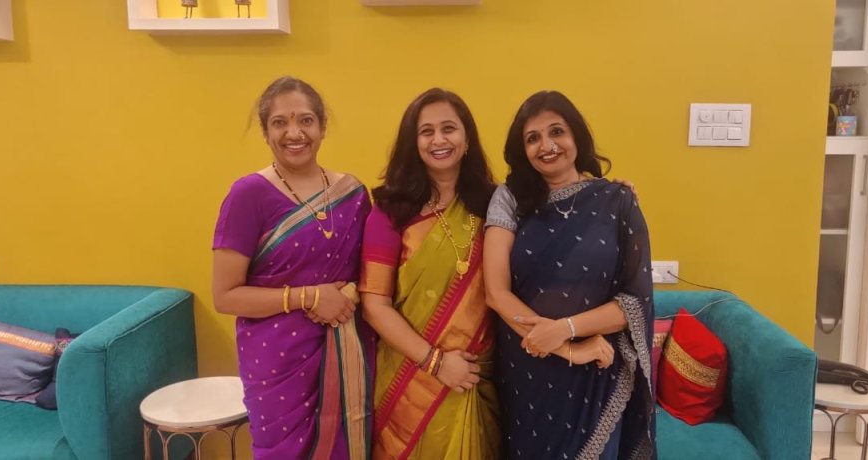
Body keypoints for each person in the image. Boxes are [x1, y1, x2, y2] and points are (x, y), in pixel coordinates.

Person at [484, 90, 656, 459]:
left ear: (576, 135)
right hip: (528, 364)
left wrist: (567, 329)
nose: (547, 146)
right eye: (533, 138)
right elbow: (496, 292)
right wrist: (567, 349)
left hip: (596, 369)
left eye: (557, 131)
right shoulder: (510, 198)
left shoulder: (616, 201)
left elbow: (634, 302)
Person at [211, 76, 375, 460]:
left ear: (322, 127)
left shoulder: (352, 193)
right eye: (280, 122)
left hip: (347, 347)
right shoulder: (248, 194)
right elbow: (225, 296)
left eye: (305, 120)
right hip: (277, 362)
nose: (294, 132)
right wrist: (310, 297)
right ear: (265, 132)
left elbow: (370, 275)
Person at [358, 88, 502, 459]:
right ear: (414, 142)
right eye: (427, 131)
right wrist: (437, 363)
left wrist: (606, 193)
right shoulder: (390, 211)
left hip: (479, 377)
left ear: (467, 138)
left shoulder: (497, 204)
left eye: (448, 128)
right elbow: (374, 305)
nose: (439, 140)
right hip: (410, 378)